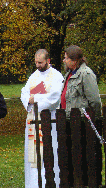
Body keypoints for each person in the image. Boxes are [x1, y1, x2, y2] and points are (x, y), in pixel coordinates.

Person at [21, 49, 64, 187]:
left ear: (48, 61)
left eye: (40, 62)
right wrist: (29, 99)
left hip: (50, 120)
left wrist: (36, 98)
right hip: (33, 119)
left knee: (50, 152)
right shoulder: (33, 76)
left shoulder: (56, 76)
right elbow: (24, 93)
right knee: (33, 155)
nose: (38, 65)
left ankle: (52, 182)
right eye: (36, 62)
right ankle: (33, 184)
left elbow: (55, 97)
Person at [61, 45, 102, 187]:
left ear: (75, 60)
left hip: (83, 123)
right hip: (69, 122)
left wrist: (94, 120)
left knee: (86, 157)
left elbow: (95, 101)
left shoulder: (86, 74)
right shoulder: (69, 74)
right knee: (73, 158)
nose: (64, 61)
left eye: (66, 58)